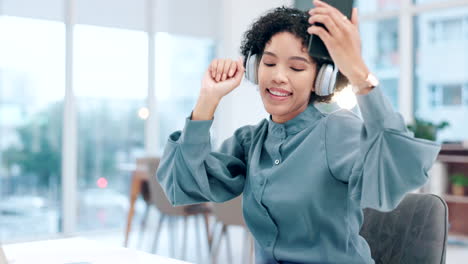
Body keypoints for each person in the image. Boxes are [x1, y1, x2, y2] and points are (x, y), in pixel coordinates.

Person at [156, 1, 441, 263]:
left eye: (296, 67)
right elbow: (184, 185)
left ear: (322, 79)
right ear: (255, 69)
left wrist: (357, 71)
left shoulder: (337, 130)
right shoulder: (251, 141)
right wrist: (208, 99)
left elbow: (396, 168)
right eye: (268, 63)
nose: (279, 76)